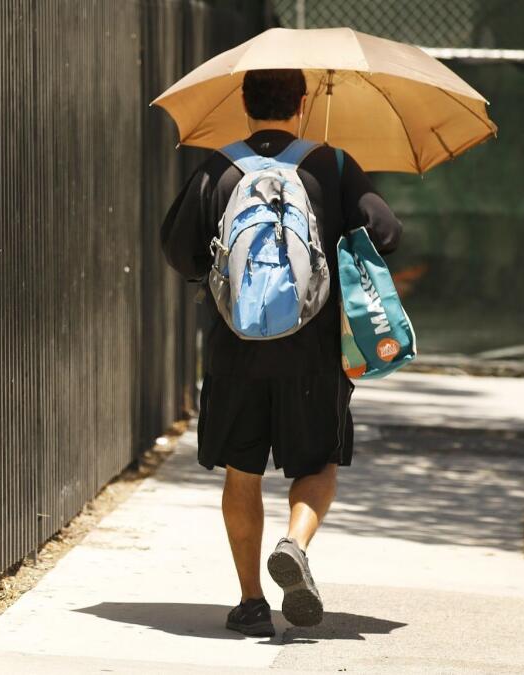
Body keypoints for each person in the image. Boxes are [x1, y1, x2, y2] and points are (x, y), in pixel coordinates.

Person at [159, 68, 403, 636]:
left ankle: (249, 603)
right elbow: (386, 233)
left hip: (234, 352)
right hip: (313, 355)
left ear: (244, 105)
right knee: (317, 463)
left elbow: (179, 251)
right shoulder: (331, 164)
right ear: (302, 103)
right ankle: (294, 542)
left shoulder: (218, 166)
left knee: (242, 473)